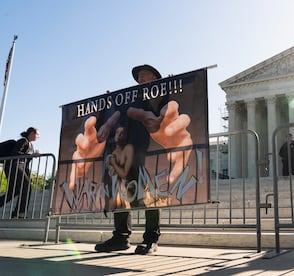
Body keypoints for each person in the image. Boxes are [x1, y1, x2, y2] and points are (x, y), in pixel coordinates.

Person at [69, 64, 192, 254]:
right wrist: (106, 105)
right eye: (139, 76)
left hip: (141, 156)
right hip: (116, 155)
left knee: (146, 197)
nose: (142, 78)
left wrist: (172, 90)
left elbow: (169, 112)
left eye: (146, 75)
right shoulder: (124, 101)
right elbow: (101, 124)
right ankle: (120, 237)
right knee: (116, 196)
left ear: (155, 78)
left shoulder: (159, 97)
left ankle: (151, 239)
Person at [0, 127, 40, 218]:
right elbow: (14, 153)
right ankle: (20, 212)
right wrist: (32, 155)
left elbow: (26, 164)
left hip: (20, 167)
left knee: (13, 191)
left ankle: (17, 212)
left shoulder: (31, 146)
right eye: (37, 134)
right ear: (31, 133)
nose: (38, 137)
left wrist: (29, 176)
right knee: (26, 187)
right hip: (14, 166)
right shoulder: (23, 141)